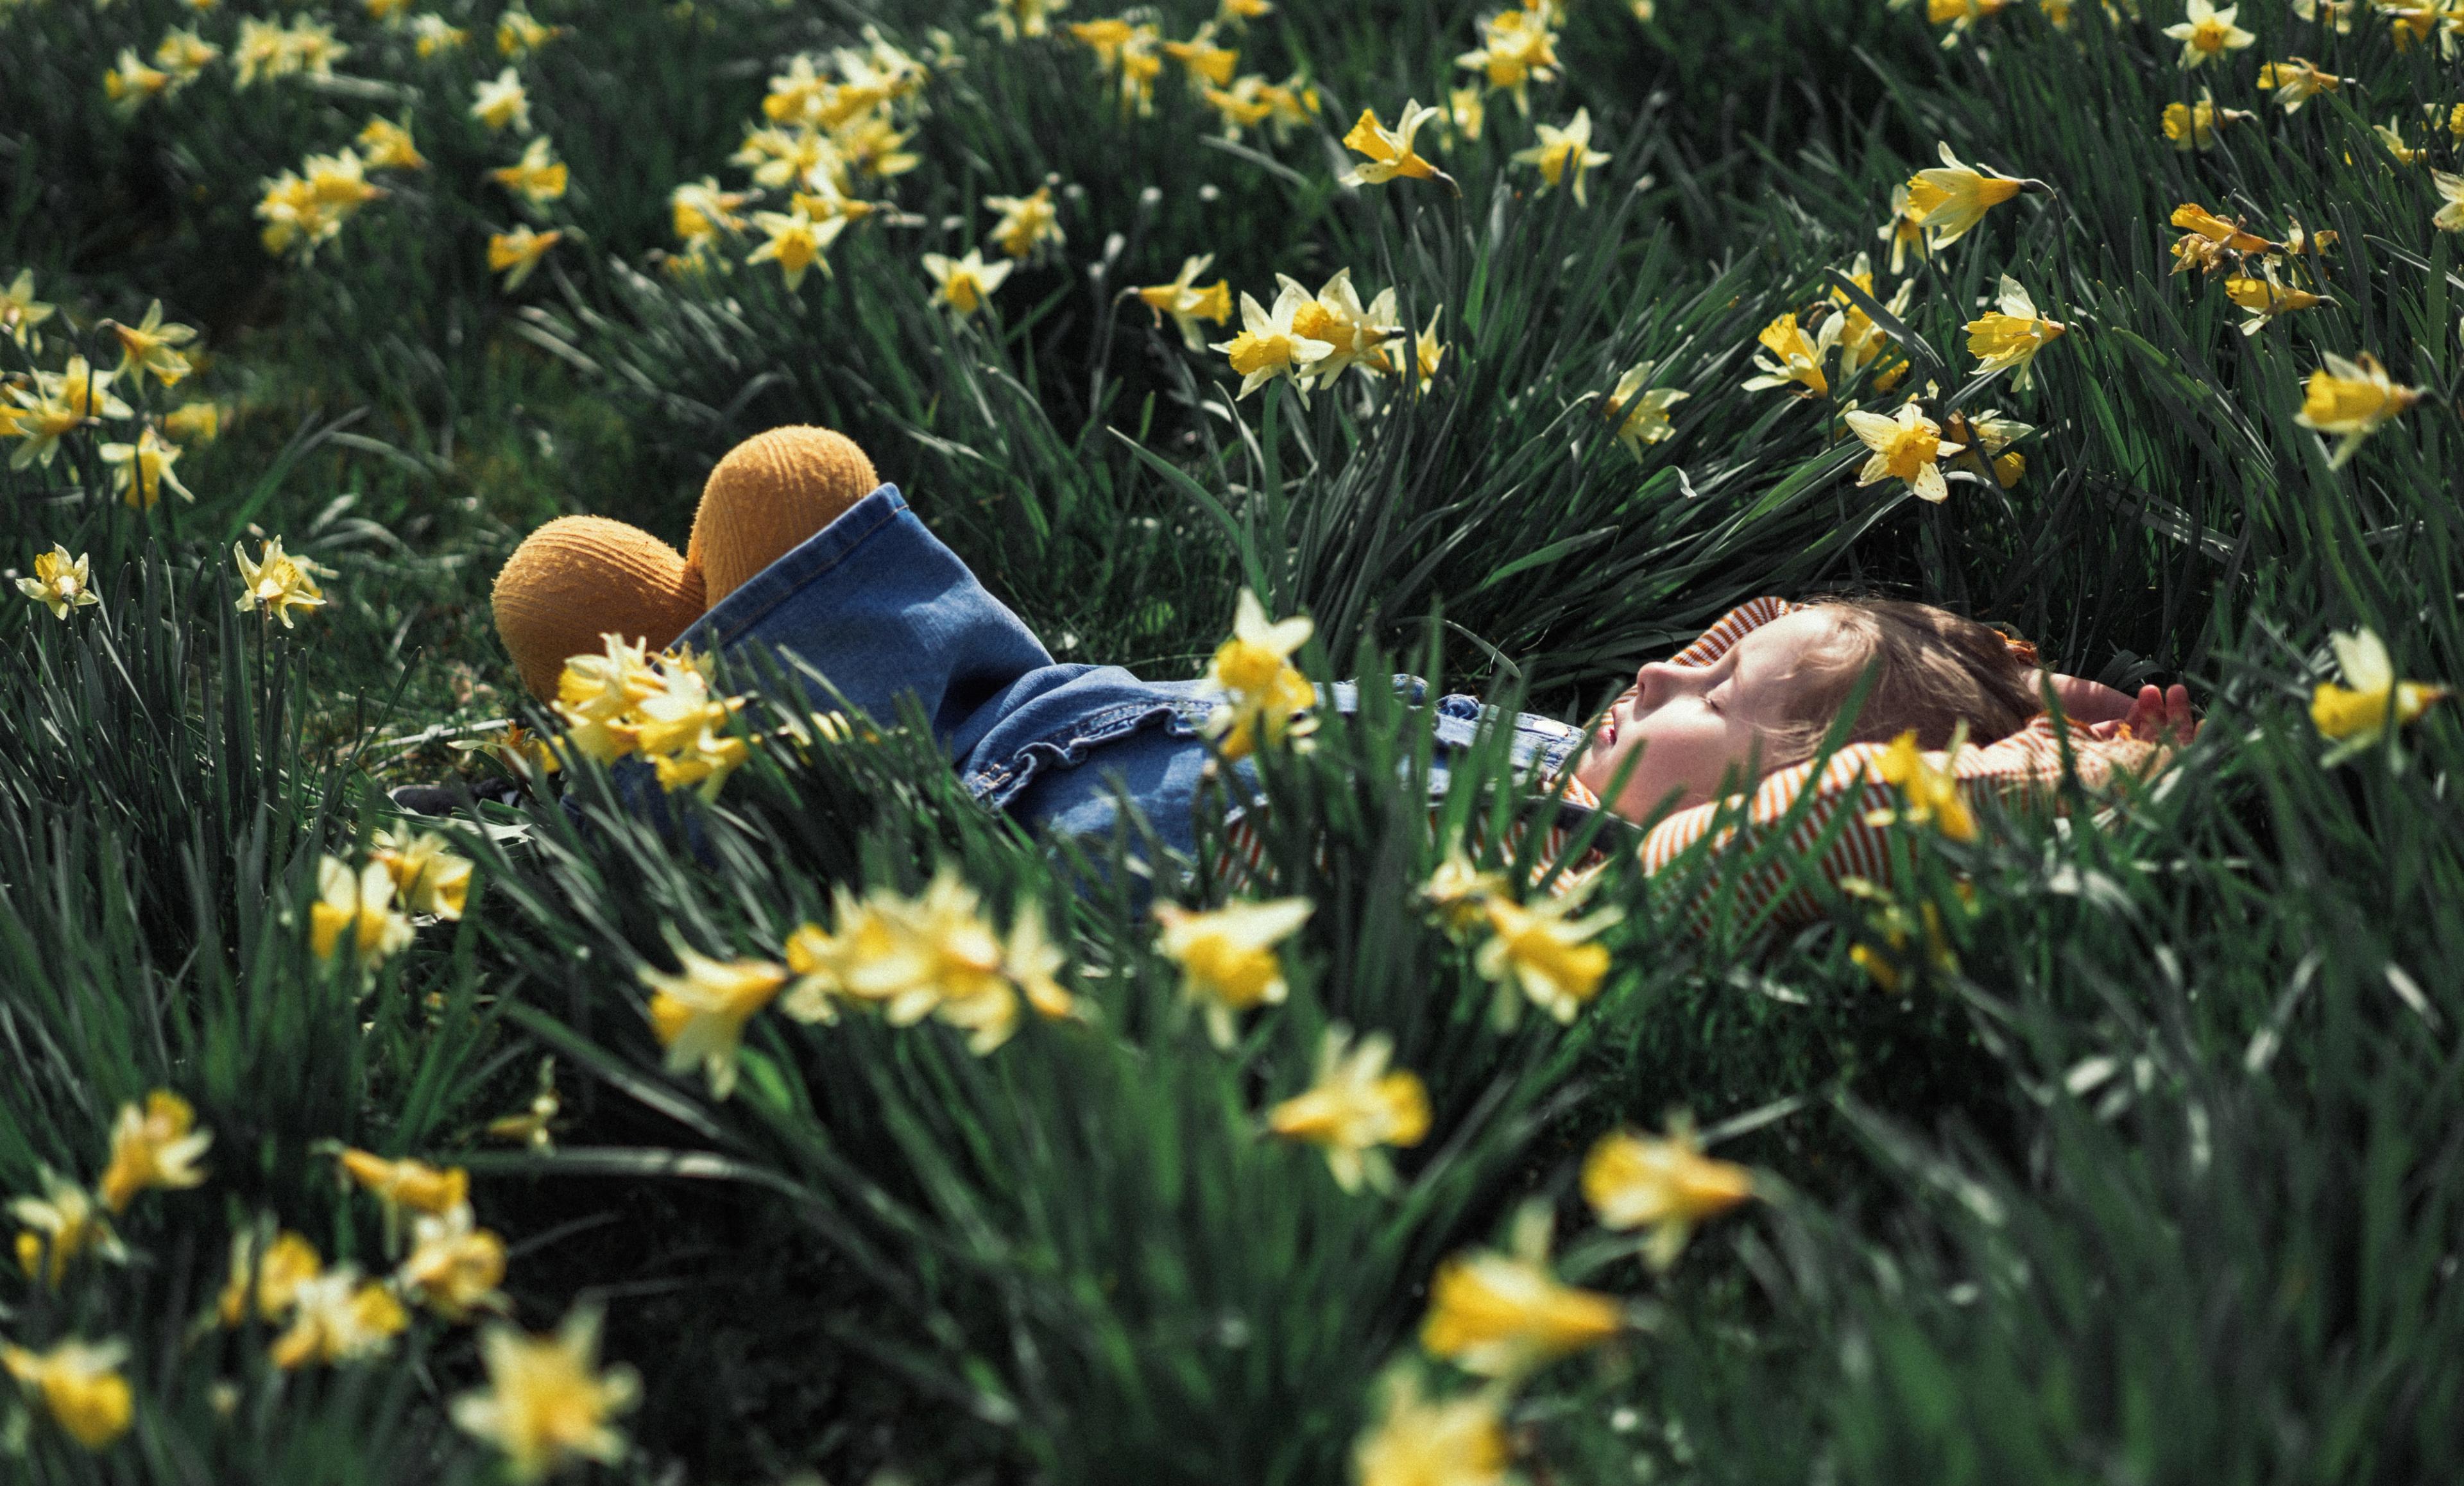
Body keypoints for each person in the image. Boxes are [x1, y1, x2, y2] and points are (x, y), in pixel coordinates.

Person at [461, 425, 2192, 921]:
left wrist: (2119, 760)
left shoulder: (1607, 889)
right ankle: (654, 689)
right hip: (995, 693)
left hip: (925, 847)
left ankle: (622, 757)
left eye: (1712, 699)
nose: (1663, 667)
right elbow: (1783, 665)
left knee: (592, 632)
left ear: (1767, 791)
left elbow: (1878, 810)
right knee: (790, 482)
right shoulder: (1563, 756)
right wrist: (2004, 673)